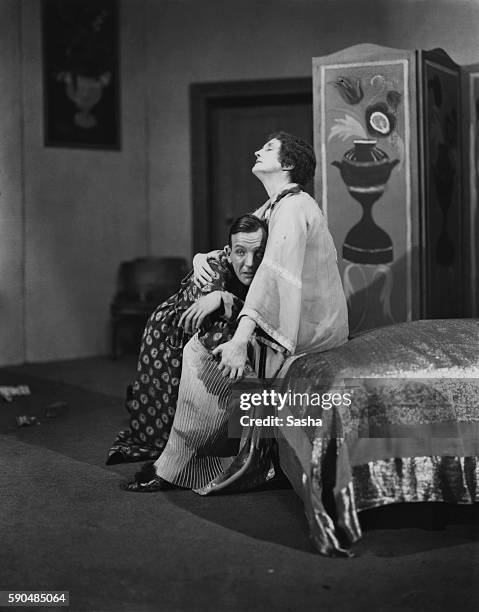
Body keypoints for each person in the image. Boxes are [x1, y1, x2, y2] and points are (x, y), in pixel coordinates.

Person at [123, 131, 349, 493]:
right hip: (278, 318)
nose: (258, 150)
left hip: (302, 331)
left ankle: (178, 465)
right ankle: (165, 441)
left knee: (202, 348)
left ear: (288, 164)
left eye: (269, 149)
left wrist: (240, 337)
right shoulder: (274, 205)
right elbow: (231, 253)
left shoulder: (295, 207)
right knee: (170, 316)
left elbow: (275, 276)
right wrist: (202, 264)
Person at [106, 214, 268, 465]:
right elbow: (208, 330)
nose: (249, 263)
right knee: (163, 426)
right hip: (168, 335)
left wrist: (226, 299)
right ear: (229, 252)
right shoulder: (213, 270)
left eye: (258, 253)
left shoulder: (266, 271)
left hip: (193, 338)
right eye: (240, 252)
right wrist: (222, 298)